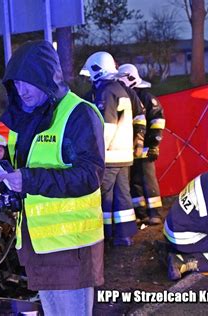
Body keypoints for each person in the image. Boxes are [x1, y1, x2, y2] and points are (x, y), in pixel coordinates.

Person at [0, 40, 105, 316]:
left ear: (46, 78)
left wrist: (28, 179)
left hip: (70, 247)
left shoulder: (79, 114)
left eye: (28, 82)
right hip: (38, 245)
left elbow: (89, 175)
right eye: (15, 84)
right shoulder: (25, 117)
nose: (21, 90)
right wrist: (2, 176)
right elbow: (27, 169)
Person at [83, 52, 147, 247]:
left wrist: (95, 154)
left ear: (97, 70)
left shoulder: (106, 92)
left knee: (101, 195)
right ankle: (123, 234)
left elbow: (107, 126)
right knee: (121, 196)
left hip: (110, 155)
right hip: (123, 155)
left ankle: (101, 236)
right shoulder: (119, 89)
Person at [117, 64, 165, 226]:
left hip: (145, 148)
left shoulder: (146, 97)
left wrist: (154, 144)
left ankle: (155, 213)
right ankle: (141, 213)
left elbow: (157, 121)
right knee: (134, 182)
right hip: (129, 149)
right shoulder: (124, 96)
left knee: (148, 181)